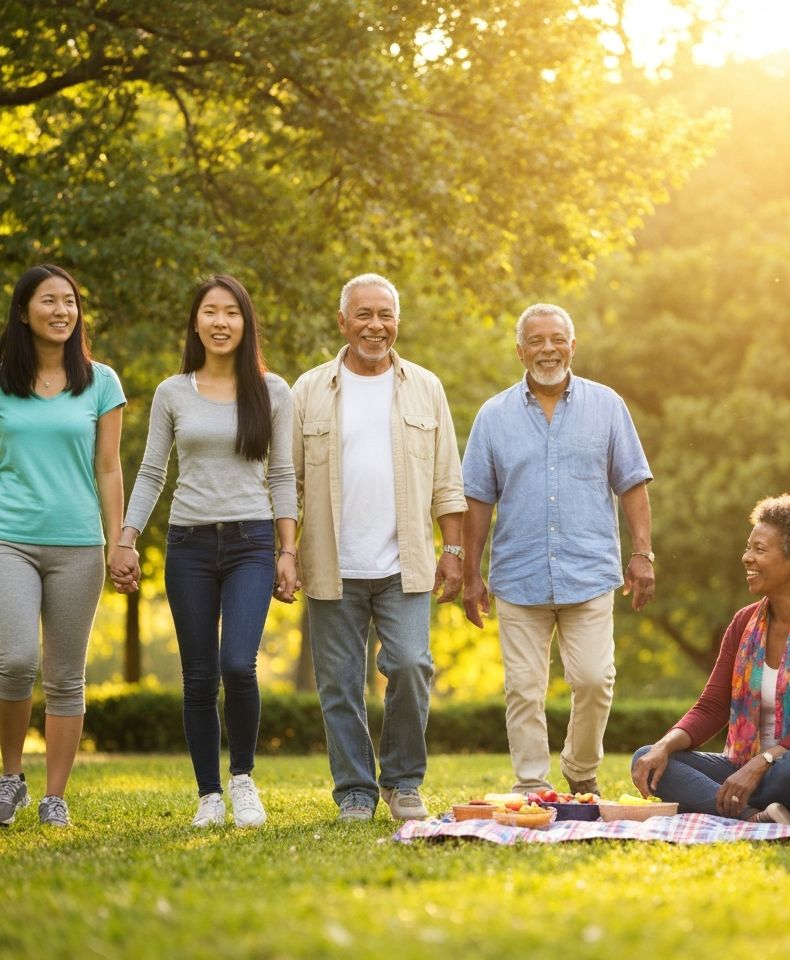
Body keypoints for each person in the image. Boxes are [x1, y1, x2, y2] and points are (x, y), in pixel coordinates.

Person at [109, 275, 297, 828]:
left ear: (246, 322)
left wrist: (288, 550)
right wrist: (126, 538)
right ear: (196, 321)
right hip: (188, 544)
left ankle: (242, 779)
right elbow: (150, 471)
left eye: (231, 312)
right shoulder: (173, 392)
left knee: (238, 663)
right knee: (197, 677)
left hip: (252, 543)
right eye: (210, 312)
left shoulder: (274, 391)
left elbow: (283, 474)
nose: (221, 322)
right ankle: (208, 794)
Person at [291, 273, 466, 823]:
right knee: (339, 684)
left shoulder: (425, 387)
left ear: (397, 322)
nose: (375, 325)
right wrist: (286, 552)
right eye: (363, 314)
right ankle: (355, 791)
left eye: (385, 315)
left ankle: (404, 780)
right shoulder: (309, 389)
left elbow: (447, 479)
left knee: (412, 666)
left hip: (404, 563)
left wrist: (454, 551)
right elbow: (288, 482)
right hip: (331, 563)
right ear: (342, 321)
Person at [462, 302, 655, 796]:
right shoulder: (493, 415)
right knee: (523, 690)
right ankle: (531, 785)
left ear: (572, 345)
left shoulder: (607, 405)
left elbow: (632, 483)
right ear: (520, 350)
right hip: (518, 575)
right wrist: (470, 573)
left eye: (557, 339)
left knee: (594, 679)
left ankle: (580, 764)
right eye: (536, 340)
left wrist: (643, 554)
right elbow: (478, 500)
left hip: (589, 571)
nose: (548, 349)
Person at [632, 496, 790, 823]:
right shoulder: (743, 623)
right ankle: (753, 817)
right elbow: (711, 706)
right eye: (748, 548)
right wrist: (664, 745)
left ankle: (727, 804)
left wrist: (763, 762)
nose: (746, 557)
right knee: (647, 758)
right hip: (743, 765)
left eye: (759, 550)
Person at [0, 264, 128, 828]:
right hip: (10, 539)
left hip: (78, 542)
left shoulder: (101, 382)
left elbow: (109, 468)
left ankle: (55, 794)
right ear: (24, 310)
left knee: (65, 675)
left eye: (69, 301)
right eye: (48, 301)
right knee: (16, 660)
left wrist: (121, 539)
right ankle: (9, 778)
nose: (61, 311)